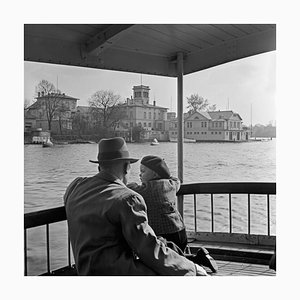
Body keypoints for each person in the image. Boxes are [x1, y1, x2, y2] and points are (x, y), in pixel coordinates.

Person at [64, 137, 207, 276]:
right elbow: (149, 249)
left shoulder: (75, 186)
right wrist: (191, 268)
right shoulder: (128, 199)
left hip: (85, 271)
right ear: (126, 167)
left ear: (99, 166)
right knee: (171, 271)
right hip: (120, 274)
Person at [128, 155, 218, 273]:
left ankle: (197, 260)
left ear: (155, 174)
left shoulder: (143, 190)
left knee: (166, 261)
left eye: (143, 172)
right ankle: (199, 258)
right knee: (177, 258)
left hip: (163, 235)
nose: (140, 175)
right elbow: (176, 180)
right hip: (179, 231)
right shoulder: (171, 184)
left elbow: (128, 188)